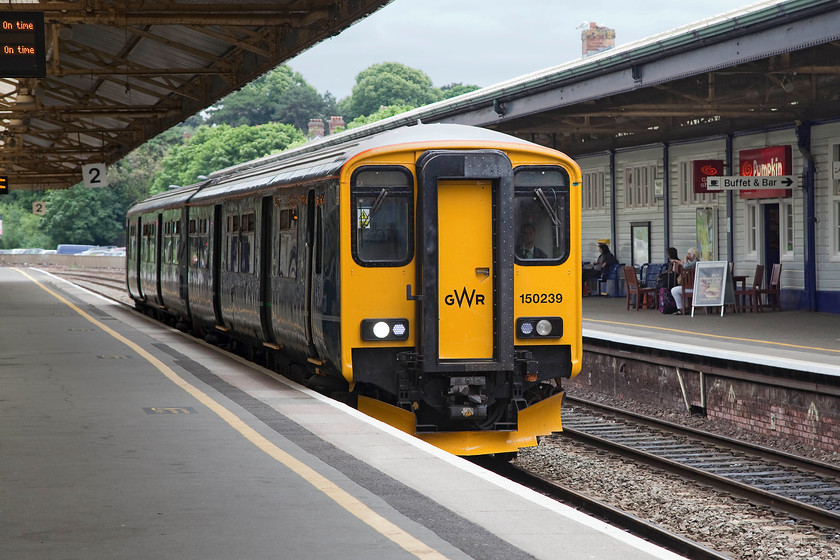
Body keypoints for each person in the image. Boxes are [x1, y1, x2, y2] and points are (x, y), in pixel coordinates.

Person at [670, 247, 699, 314]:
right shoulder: (696, 263)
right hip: (698, 288)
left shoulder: (692, 264)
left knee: (674, 290)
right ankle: (685, 307)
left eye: (689, 254)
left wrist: (679, 261)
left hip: (693, 288)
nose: (687, 255)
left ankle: (681, 308)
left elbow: (685, 266)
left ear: (693, 255)